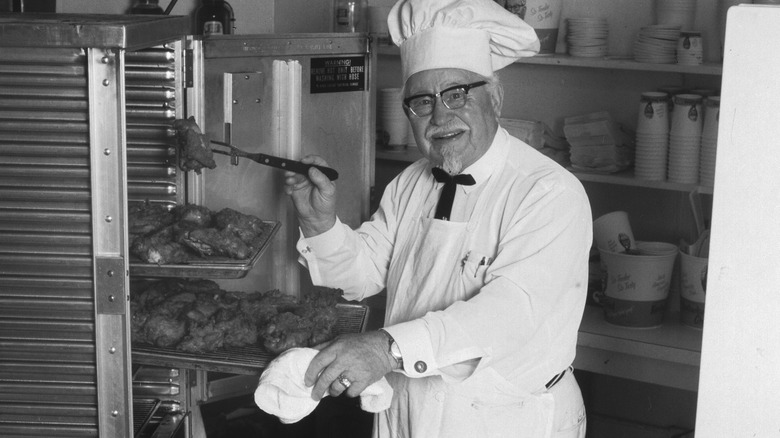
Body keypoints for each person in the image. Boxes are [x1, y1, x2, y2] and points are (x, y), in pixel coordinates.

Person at [283, 0, 592, 436]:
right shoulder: (412, 181)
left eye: (457, 95)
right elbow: (364, 274)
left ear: (496, 98)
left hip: (505, 417)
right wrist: (321, 224)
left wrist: (385, 350)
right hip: (408, 407)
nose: (440, 116)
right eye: (422, 103)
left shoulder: (546, 191)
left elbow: (510, 314)